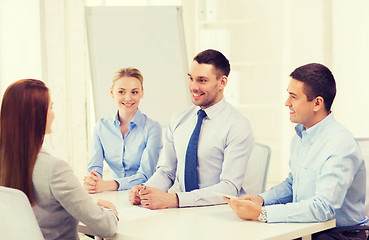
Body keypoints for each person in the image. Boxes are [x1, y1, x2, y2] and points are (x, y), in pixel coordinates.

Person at [224, 63, 369, 240]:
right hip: (309, 229)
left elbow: (323, 208)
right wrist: (261, 200)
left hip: (340, 235)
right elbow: (294, 184)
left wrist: (262, 213)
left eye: (293, 97)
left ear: (317, 103)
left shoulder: (340, 145)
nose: (287, 103)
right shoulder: (302, 135)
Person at [129, 49, 254, 209]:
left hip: (221, 213)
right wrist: (145, 190)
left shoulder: (237, 126)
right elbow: (166, 172)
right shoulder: (179, 119)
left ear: (222, 82)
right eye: (191, 78)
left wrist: (174, 200)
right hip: (184, 213)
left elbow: (229, 188)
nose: (193, 87)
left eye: (202, 80)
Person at [0, 79, 118, 240]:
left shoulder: (5, 162)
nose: (53, 113)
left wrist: (87, 207)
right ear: (37, 115)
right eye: (51, 107)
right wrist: (110, 212)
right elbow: (106, 227)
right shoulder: (54, 169)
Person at [84, 67, 162, 193]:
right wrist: (91, 182)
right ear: (111, 93)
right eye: (121, 92)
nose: (128, 98)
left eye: (134, 92)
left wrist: (108, 185)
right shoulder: (101, 127)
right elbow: (94, 168)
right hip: (114, 196)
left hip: (144, 195)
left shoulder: (153, 128)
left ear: (142, 93)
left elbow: (145, 175)